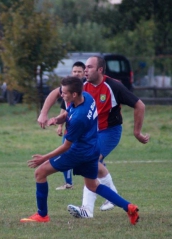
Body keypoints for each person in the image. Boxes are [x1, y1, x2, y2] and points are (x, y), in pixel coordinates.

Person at [37, 55, 149, 218]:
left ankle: (85, 210)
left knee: (45, 171)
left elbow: (140, 105)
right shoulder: (84, 90)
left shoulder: (113, 87)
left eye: (89, 67)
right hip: (91, 135)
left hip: (108, 132)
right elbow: (59, 95)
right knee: (94, 174)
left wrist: (137, 132)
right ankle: (119, 204)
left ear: (100, 70)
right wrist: (47, 114)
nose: (85, 70)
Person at [20, 76, 139, 225]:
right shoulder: (87, 97)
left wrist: (43, 158)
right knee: (93, 185)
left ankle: (42, 215)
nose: (61, 95)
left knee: (40, 173)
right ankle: (129, 207)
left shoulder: (79, 119)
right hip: (92, 149)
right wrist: (57, 119)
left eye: (64, 93)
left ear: (74, 94)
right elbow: (68, 114)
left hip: (77, 152)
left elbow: (66, 146)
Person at [56, 61, 86, 190]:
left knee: (91, 155)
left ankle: (99, 179)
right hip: (70, 128)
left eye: (79, 71)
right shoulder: (67, 89)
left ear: (84, 73)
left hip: (84, 128)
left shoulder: (87, 87)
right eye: (74, 71)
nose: (77, 74)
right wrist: (59, 126)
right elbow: (64, 108)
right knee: (65, 152)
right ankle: (68, 183)